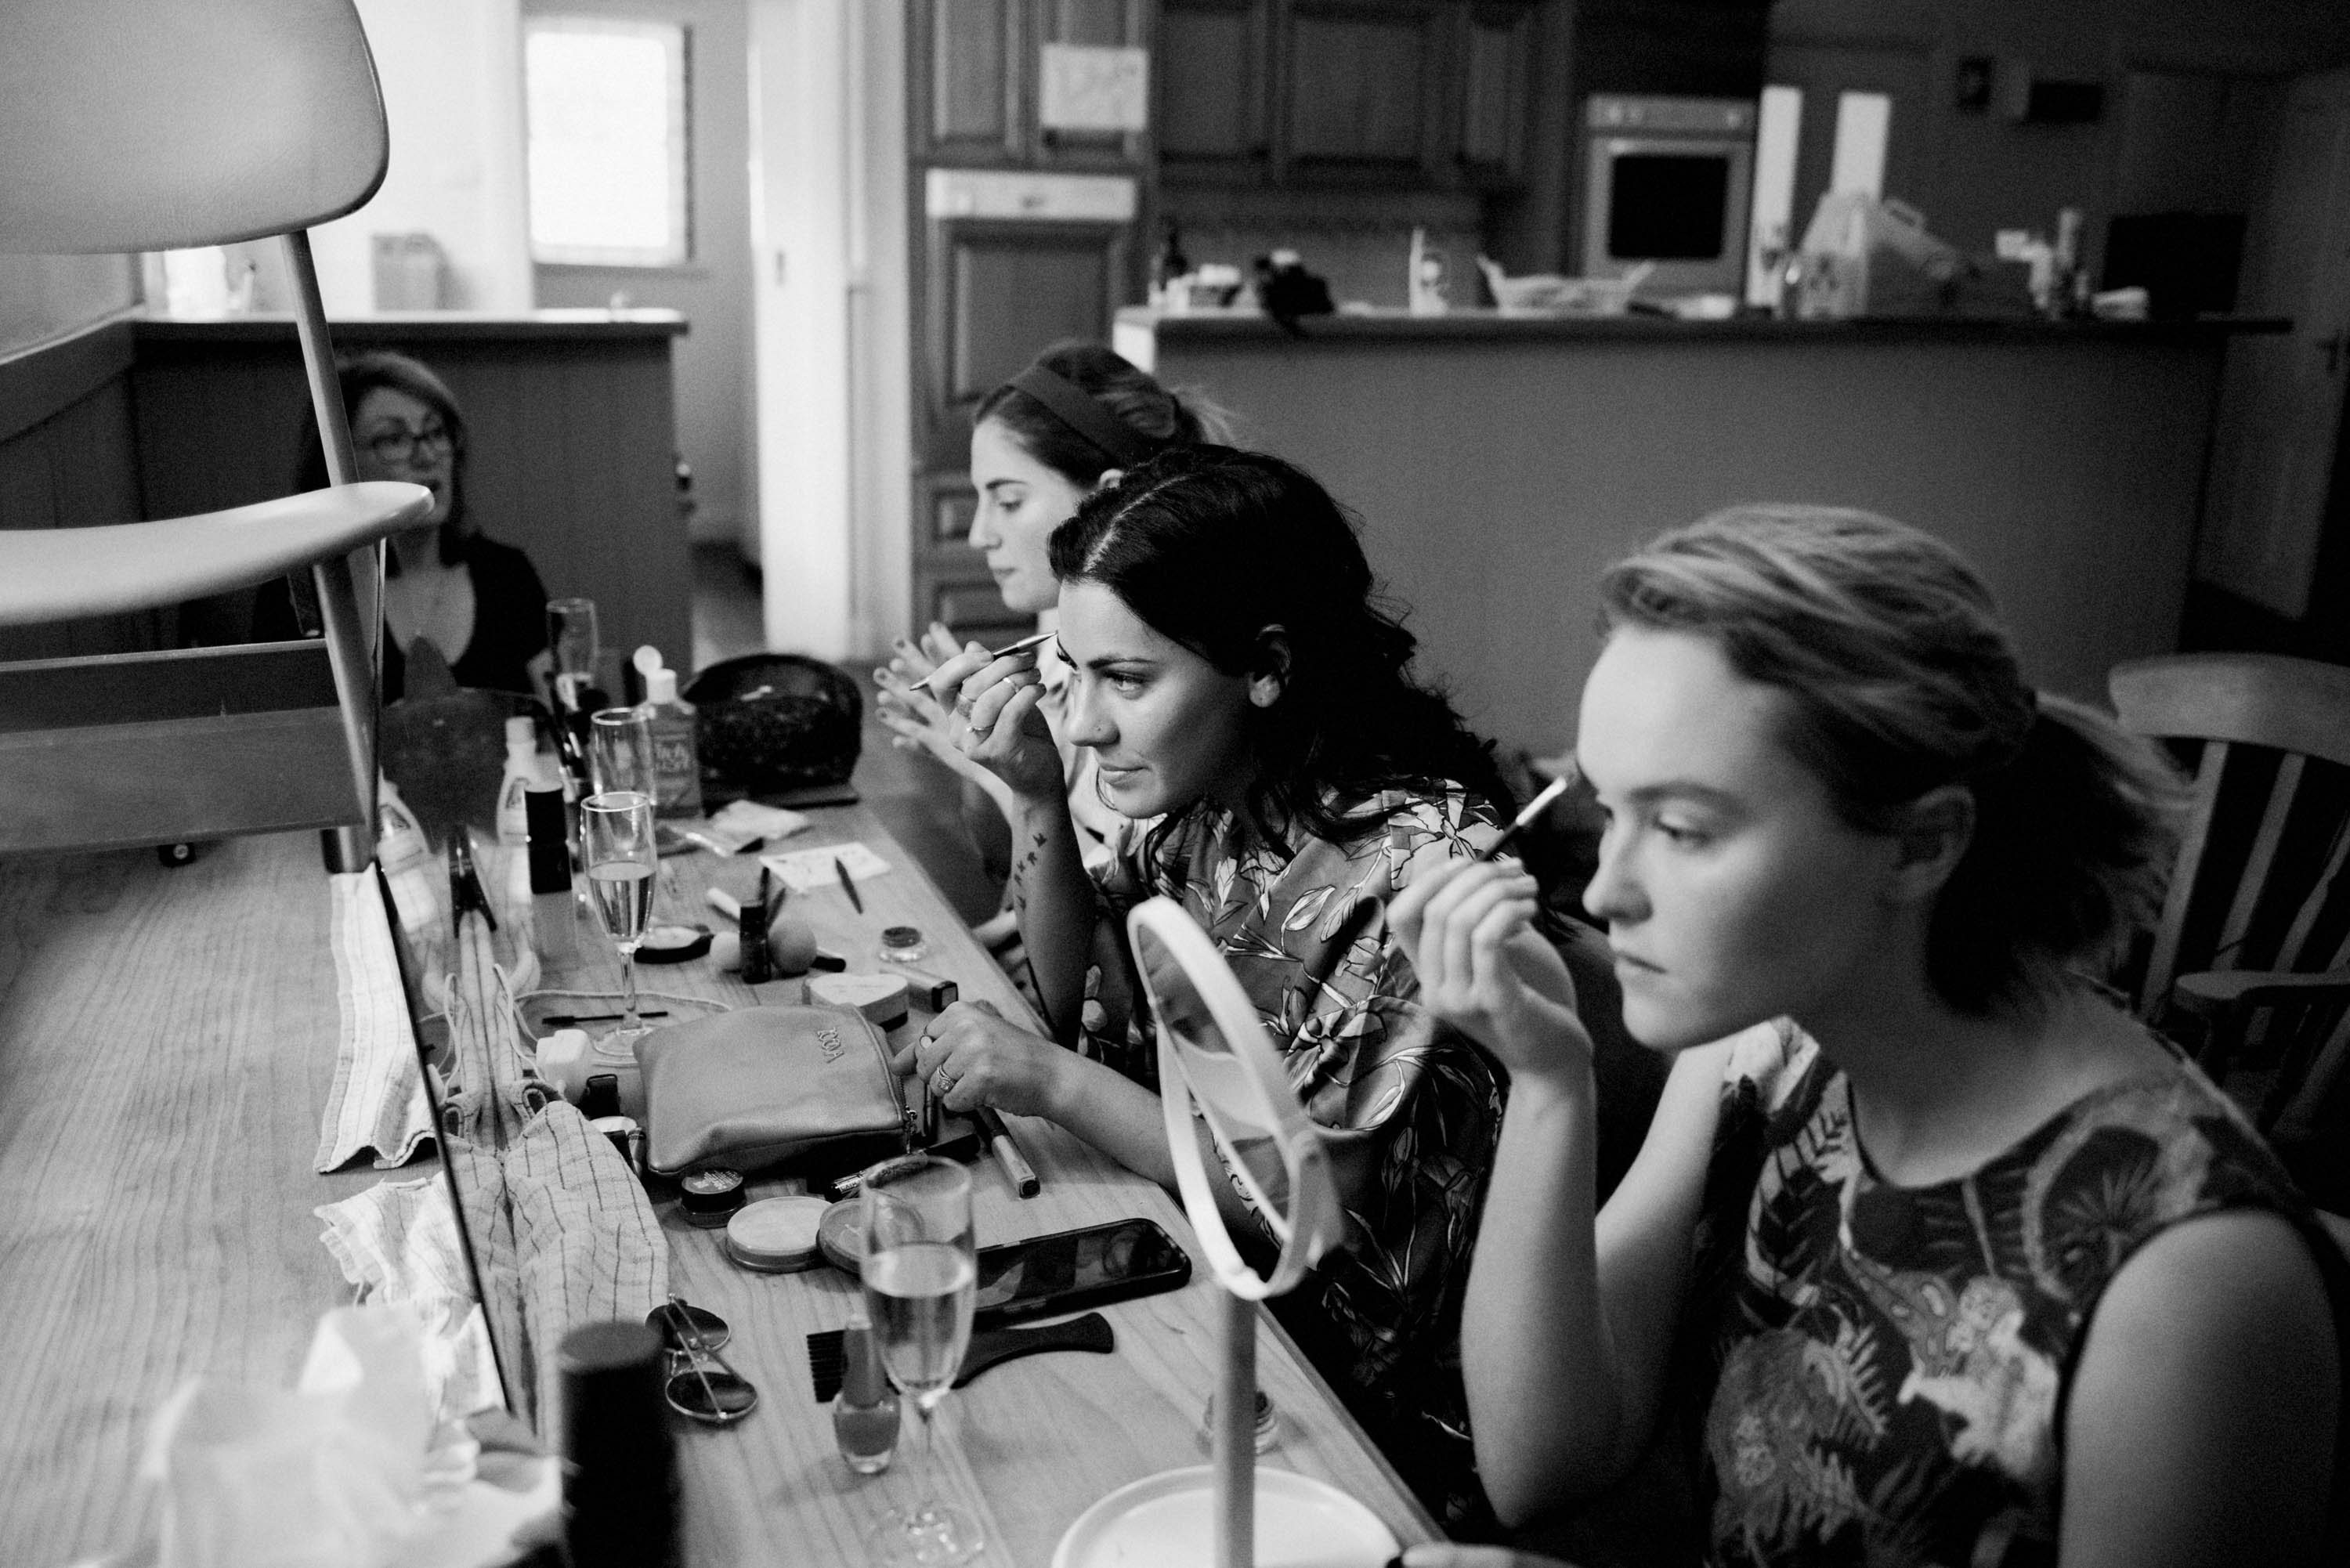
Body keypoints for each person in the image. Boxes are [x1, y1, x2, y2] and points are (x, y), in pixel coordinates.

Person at [1389, 506, 2349, 1566]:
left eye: (1683, 828)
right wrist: (1547, 1076)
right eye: (1609, 811)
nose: (1607, 889)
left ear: (1922, 843)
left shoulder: (2188, 1289)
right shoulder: (1767, 1042)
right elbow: (1543, 1459)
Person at [906, 446, 1534, 1526]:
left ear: (1268, 664)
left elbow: (1299, 1201)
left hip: (1360, 1413)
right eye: (1076, 672)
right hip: (1214, 1292)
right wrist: (1035, 797)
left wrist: (1055, 1086)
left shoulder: (1416, 862)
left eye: (1128, 680)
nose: (1089, 719)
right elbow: (1080, 995)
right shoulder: (1219, 790)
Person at [875, 340, 1229, 876]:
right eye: (979, 499)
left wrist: (1014, 786)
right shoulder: (1050, 657)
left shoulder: (1172, 686)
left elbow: (1120, 911)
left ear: (1108, 497)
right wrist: (980, 760)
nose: (978, 534)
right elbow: (1002, 860)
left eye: (1009, 501)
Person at [256, 350, 550, 702]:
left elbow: (562, 720)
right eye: (394, 440)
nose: (426, 457)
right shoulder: (300, 597)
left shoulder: (507, 575)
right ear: (340, 466)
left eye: (436, 432)